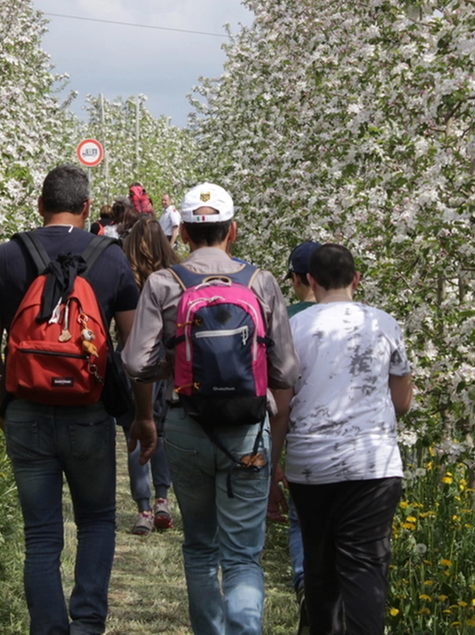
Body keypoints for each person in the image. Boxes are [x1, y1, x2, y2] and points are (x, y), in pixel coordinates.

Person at [0, 164, 157, 635]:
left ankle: (49, 628)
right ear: (86, 209)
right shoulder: (111, 258)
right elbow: (135, 351)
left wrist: (3, 403)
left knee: (41, 537)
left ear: (39, 206)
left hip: (26, 411)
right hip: (88, 413)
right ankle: (87, 625)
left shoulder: (6, 256)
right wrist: (142, 415)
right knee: (96, 521)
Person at [124, 183, 299, 635]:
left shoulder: (165, 283)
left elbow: (135, 362)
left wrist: (177, 363)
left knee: (200, 545)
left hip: (186, 423)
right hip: (246, 429)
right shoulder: (261, 282)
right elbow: (285, 368)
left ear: (182, 233)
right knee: (241, 554)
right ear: (233, 230)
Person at [271, 243, 414, 635]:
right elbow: (402, 402)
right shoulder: (383, 323)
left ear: (310, 281)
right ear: (356, 279)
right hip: (375, 464)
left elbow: (281, 408)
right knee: (366, 568)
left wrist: (271, 470)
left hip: (312, 466)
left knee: (320, 568)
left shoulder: (293, 327)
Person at [268, 240, 320, 635]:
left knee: (303, 526)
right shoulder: (367, 321)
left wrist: (273, 461)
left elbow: (280, 401)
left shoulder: (287, 320)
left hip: (306, 444)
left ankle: (306, 585)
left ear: (300, 279)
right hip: (362, 455)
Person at [118, 215, 178, 535]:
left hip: (131, 360)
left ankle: (142, 509)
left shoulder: (126, 275)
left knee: (136, 430)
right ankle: (163, 500)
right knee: (161, 429)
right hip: (164, 362)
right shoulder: (173, 275)